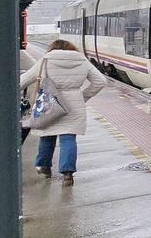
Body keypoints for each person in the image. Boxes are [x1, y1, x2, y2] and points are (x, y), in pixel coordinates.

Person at [19, 39, 107, 186]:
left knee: (47, 136)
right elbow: (100, 81)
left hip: (48, 102)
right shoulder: (82, 60)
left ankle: (44, 166)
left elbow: (23, 81)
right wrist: (82, 96)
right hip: (73, 105)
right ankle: (67, 174)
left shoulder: (46, 60)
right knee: (68, 139)